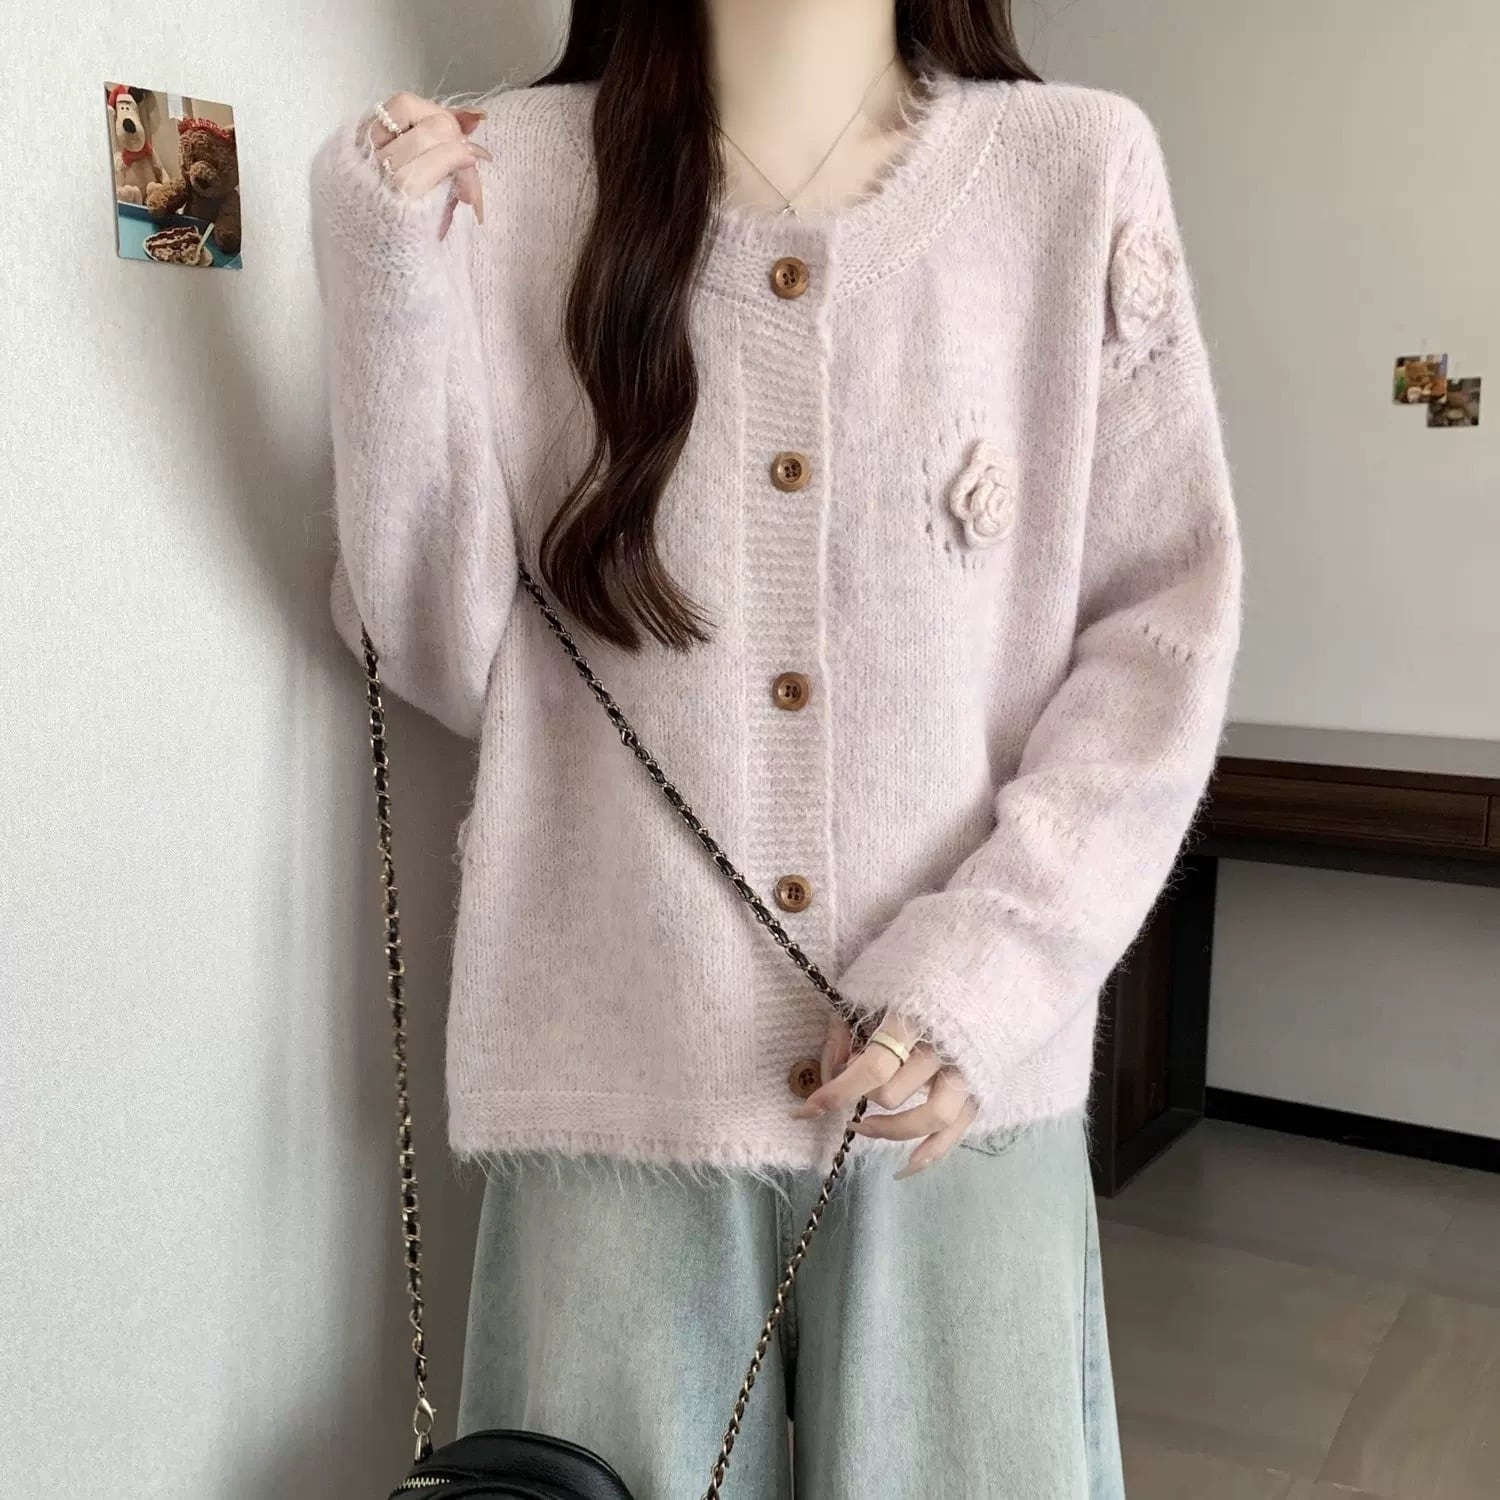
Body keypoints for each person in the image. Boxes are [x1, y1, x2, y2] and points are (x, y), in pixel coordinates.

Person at [310, 1, 1242, 1494]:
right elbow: (431, 645)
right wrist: (386, 280)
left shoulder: (1073, 171)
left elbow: (1160, 637)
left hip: (958, 1099)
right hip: (611, 1078)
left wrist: (981, 975)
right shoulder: (515, 175)